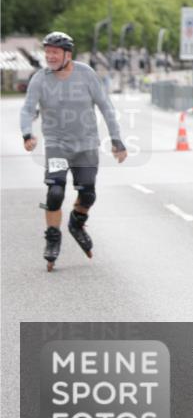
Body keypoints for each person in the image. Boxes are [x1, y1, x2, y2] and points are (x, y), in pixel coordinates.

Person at [20, 32, 127, 272]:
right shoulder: (40, 79)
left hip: (86, 145)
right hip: (57, 145)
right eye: (47, 52)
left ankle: (77, 223)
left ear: (67, 55)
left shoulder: (86, 74)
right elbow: (27, 109)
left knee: (87, 194)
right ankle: (52, 239)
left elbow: (106, 107)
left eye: (55, 52)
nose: (50, 56)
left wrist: (117, 140)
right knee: (55, 192)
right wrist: (27, 134)